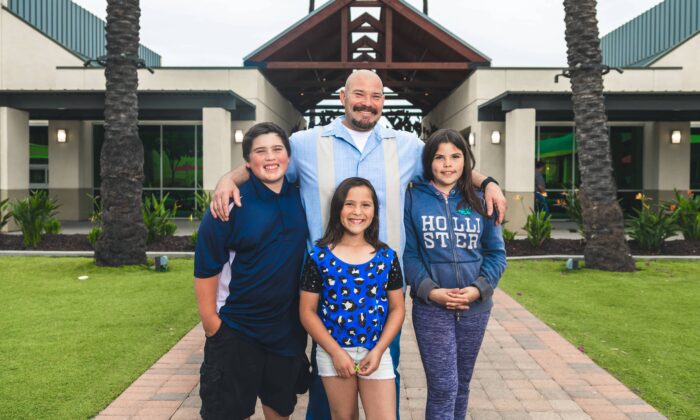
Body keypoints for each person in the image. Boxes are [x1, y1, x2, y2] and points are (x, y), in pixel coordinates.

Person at [209, 70, 507, 419]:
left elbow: (448, 160)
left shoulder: (407, 146)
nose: (367, 103)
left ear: (383, 100)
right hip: (323, 287)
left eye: (376, 96)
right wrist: (228, 178)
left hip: (382, 289)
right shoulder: (305, 143)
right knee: (325, 381)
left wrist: (488, 182)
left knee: (384, 373)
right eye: (359, 94)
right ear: (343, 97)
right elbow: (267, 164)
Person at [193, 122, 309, 420]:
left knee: (280, 411)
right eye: (260, 151)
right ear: (247, 161)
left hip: (286, 332)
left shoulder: (302, 198)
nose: (270, 157)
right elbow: (207, 265)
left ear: (288, 156)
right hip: (237, 331)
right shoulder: (229, 203)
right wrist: (211, 325)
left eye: (277, 149)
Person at [403, 129, 507, 420]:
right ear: (428, 162)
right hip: (432, 309)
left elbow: (496, 254)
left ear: (466, 161)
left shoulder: (480, 200)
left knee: (461, 385)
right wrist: (431, 291)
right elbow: (409, 255)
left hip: (475, 308)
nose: (448, 164)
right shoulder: (413, 200)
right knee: (443, 387)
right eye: (439, 157)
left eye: (455, 156)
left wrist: (478, 289)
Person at [299, 177, 405, 420]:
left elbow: (398, 309)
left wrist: (379, 350)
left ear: (375, 212)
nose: (357, 212)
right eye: (350, 204)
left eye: (366, 205)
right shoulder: (319, 257)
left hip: (375, 352)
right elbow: (307, 311)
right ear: (338, 209)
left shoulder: (387, 257)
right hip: (333, 352)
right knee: (344, 417)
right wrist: (336, 352)